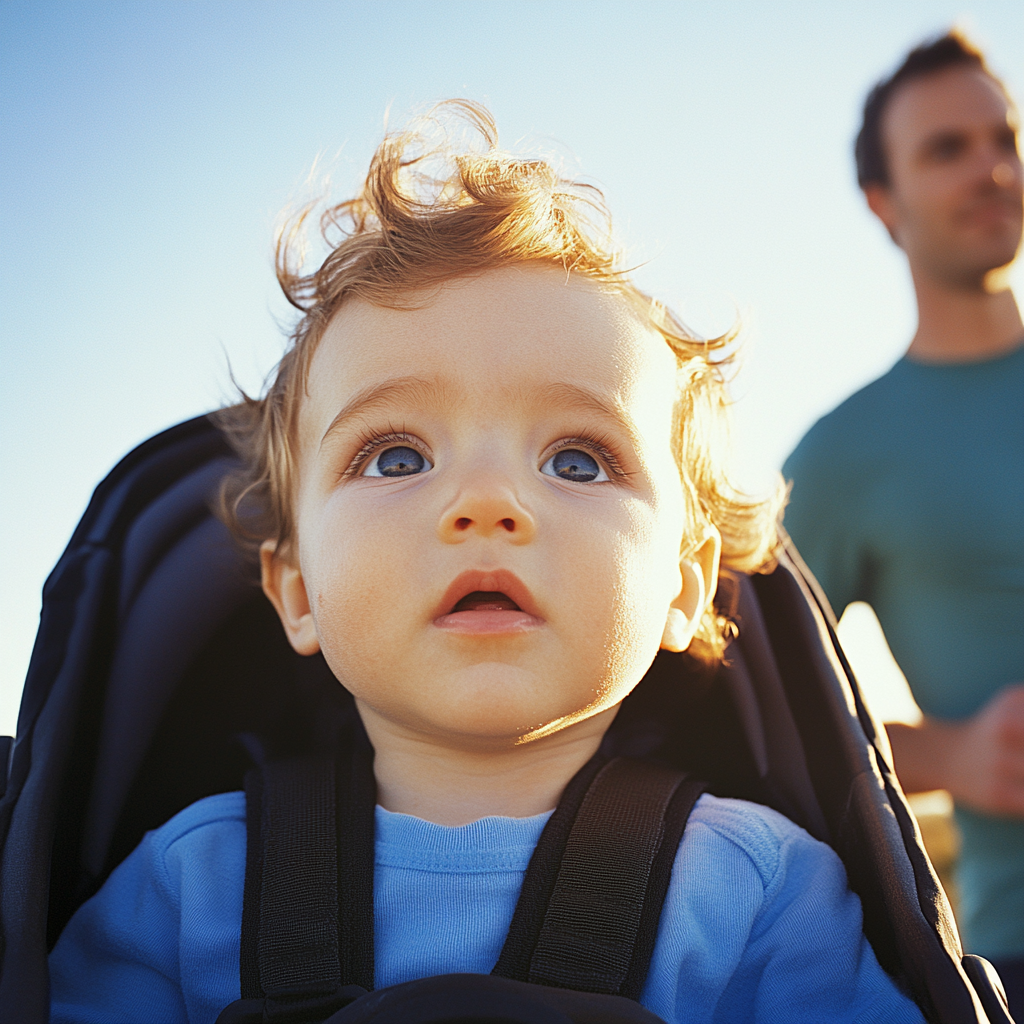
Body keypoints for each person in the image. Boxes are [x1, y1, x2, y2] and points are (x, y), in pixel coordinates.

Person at [46, 102, 926, 1024]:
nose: (486, 504)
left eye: (577, 460)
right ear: (298, 591)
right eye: (397, 457)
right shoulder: (187, 885)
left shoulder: (761, 891)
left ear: (684, 583)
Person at [783, 31, 1024, 1015]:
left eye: (1002, 136)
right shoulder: (845, 454)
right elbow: (762, 705)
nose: (990, 168)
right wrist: (953, 754)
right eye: (945, 150)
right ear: (883, 206)